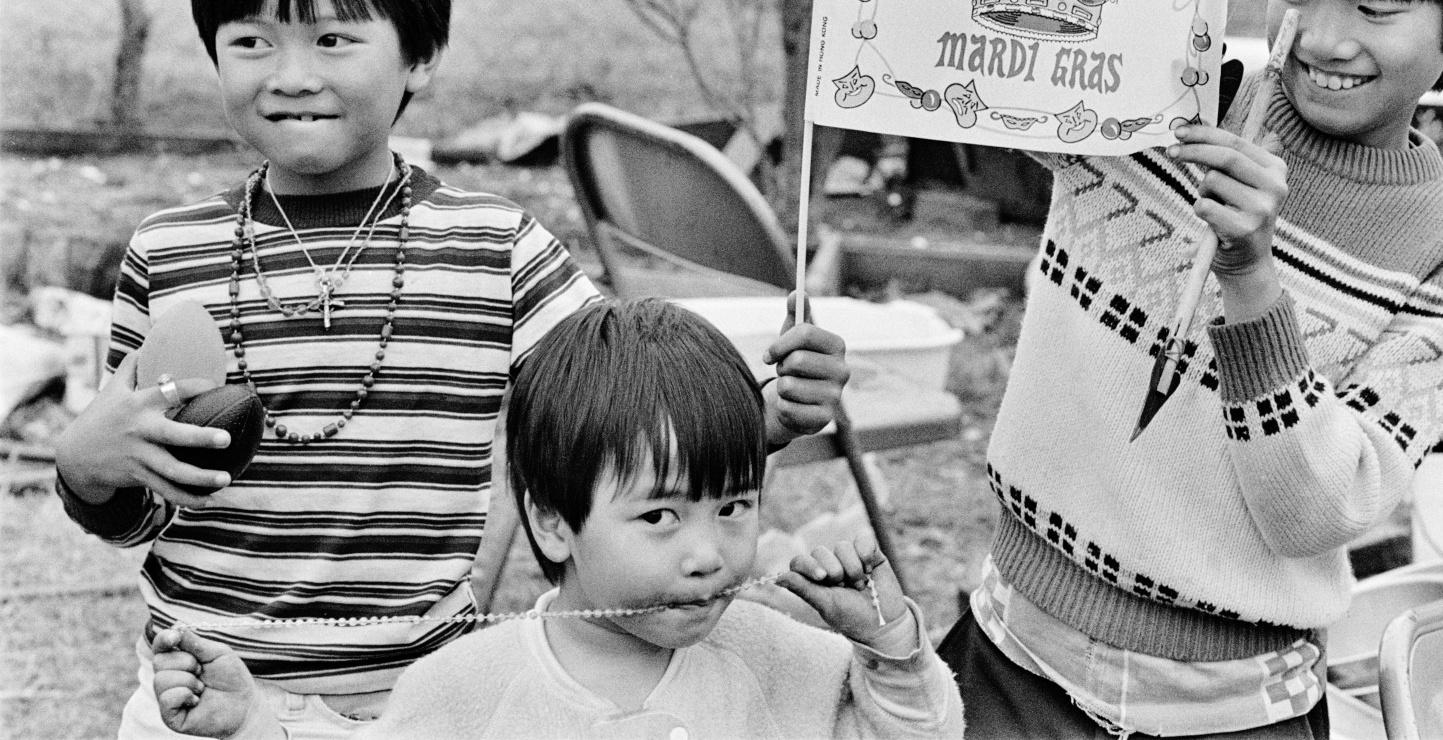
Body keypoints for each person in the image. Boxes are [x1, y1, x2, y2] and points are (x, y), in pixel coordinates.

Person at [51, 0, 851, 740]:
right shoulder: (171, 253)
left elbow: (623, 415)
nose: (288, 74)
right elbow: (141, 503)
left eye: (331, 40)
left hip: (428, 701)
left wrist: (768, 414)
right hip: (200, 692)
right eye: (251, 41)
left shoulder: (493, 248)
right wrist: (88, 465)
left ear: (420, 57)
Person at [936, 0, 1443, 738]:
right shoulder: (1155, 90)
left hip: (1231, 718)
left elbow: (1322, 509)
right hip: (1010, 668)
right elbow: (951, 31)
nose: (1323, 38)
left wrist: (1253, 281)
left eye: (1377, 10)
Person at [146, 298, 963, 740]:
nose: (709, 554)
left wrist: (891, 653)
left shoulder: (787, 663)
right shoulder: (464, 688)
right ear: (552, 522)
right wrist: (252, 725)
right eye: (660, 517)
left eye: (734, 506)